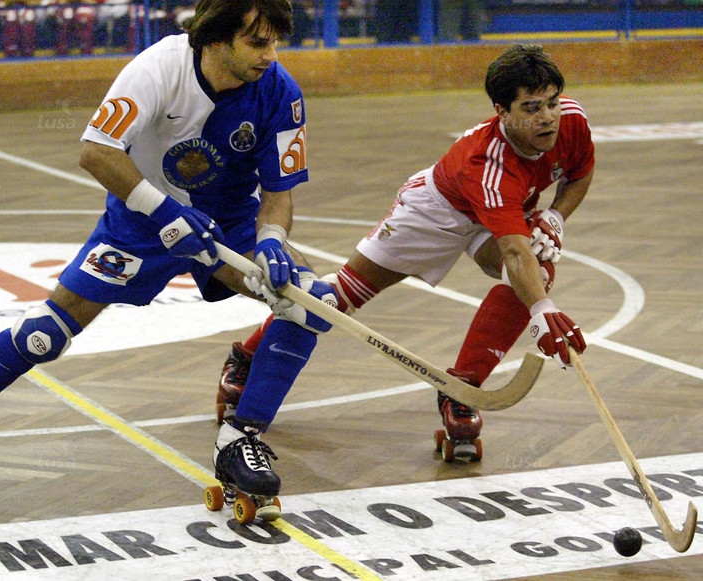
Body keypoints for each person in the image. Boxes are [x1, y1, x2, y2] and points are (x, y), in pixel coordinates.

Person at [0, 0, 336, 515]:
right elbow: (97, 151)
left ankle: (239, 439)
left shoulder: (280, 91)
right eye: (258, 42)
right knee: (47, 332)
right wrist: (165, 213)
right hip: (142, 220)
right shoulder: (158, 68)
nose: (271, 55)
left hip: (228, 226)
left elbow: (279, 193)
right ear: (216, 38)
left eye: (275, 42)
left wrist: (271, 238)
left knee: (308, 303)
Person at [217, 44, 590, 461]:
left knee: (540, 269)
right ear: (501, 111)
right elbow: (515, 252)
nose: (547, 117)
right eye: (531, 108)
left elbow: (580, 173)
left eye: (552, 103)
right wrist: (542, 309)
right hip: (435, 213)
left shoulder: (571, 121)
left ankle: (461, 390)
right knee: (338, 299)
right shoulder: (489, 164)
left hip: (498, 212)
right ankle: (247, 357)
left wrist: (555, 216)